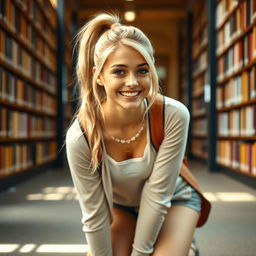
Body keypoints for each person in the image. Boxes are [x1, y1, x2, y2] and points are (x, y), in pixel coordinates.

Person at [66, 13, 209, 256]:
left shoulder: (173, 115)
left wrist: (142, 253)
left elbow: (158, 194)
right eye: (119, 72)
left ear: (151, 70)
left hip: (174, 200)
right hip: (120, 207)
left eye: (142, 71)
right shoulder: (81, 136)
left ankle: (184, 242)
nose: (132, 82)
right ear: (98, 76)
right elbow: (94, 215)